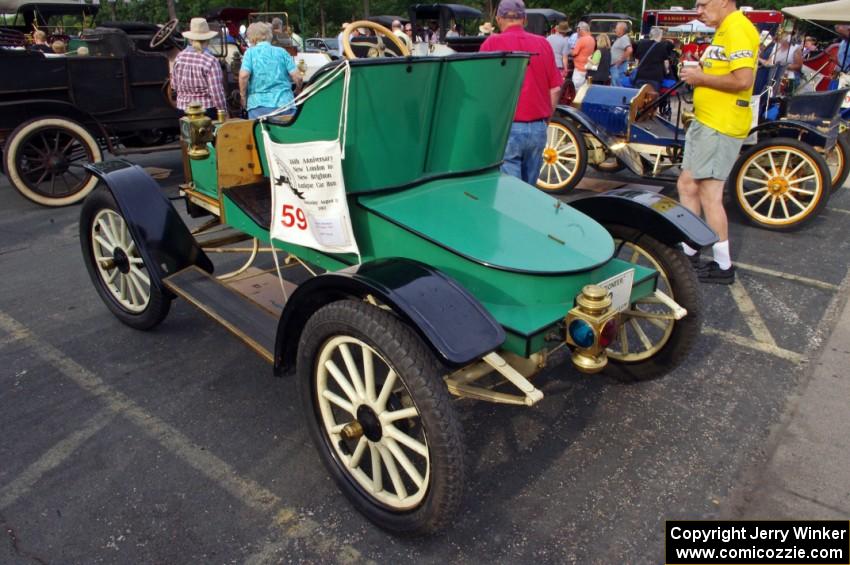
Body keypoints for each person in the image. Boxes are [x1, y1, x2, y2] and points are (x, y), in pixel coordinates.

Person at [678, 0, 759, 284]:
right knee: (688, 186)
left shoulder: (737, 27)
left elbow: (743, 80)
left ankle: (722, 266)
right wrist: (699, 74)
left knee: (709, 194)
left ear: (724, 1)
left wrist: (700, 77)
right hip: (709, 122)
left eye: (703, 3)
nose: (698, 10)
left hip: (719, 124)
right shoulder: (725, 28)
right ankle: (690, 248)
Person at [480, 0, 561, 185]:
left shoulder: (491, 43)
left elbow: (483, 91)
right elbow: (555, 89)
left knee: (511, 194)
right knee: (529, 191)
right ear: (524, 19)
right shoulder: (543, 44)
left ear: (499, 19)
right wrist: (547, 118)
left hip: (507, 127)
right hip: (538, 127)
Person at [239, 22, 302, 120]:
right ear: (269, 35)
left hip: (258, 107)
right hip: (285, 104)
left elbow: (243, 76)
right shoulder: (282, 52)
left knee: (261, 134)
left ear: (252, 38)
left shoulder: (250, 53)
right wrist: (297, 90)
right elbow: (298, 77)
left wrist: (243, 97)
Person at [171, 17, 228, 119]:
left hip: (183, 110)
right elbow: (216, 92)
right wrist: (223, 111)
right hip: (205, 111)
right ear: (208, 39)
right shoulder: (210, 60)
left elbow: (174, 86)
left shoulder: (179, 57)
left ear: (190, 39)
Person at [633, 27, 672, 92]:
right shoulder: (662, 46)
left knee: (638, 98)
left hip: (641, 76)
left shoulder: (641, 43)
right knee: (652, 98)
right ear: (660, 35)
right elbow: (666, 63)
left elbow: (636, 61)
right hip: (655, 77)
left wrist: (635, 69)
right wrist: (667, 72)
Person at [571, 22, 595, 88]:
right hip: (587, 68)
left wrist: (570, 51)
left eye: (577, 29)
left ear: (580, 29)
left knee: (576, 88)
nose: (577, 32)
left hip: (579, 69)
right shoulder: (592, 39)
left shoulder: (581, 40)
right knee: (585, 88)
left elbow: (574, 53)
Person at [609, 22, 633, 86]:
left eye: (616, 28)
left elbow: (629, 50)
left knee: (617, 88)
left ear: (621, 30)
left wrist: (619, 62)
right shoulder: (620, 38)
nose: (615, 30)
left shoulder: (624, 38)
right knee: (615, 86)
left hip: (618, 68)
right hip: (616, 68)